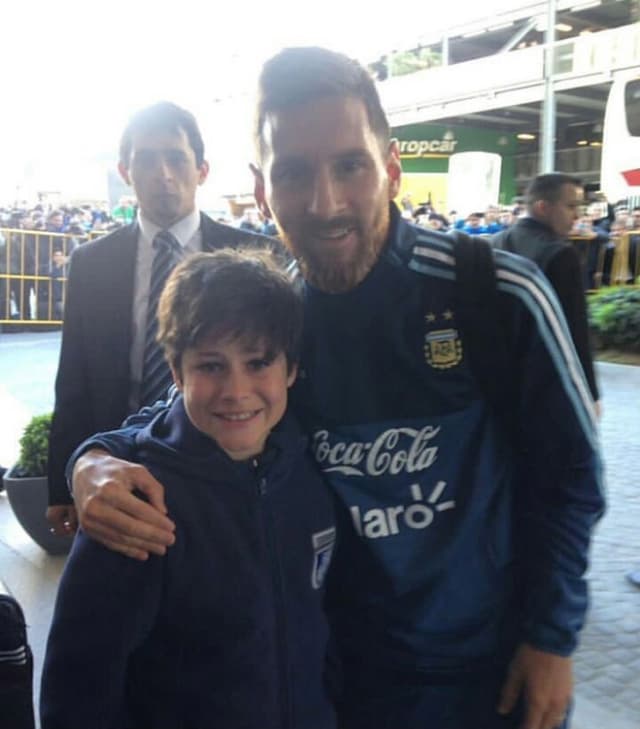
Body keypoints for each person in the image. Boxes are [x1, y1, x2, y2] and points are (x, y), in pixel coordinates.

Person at [69, 47, 604, 729]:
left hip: (493, 678)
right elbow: (180, 413)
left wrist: (551, 636)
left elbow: (572, 475)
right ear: (263, 190)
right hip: (345, 683)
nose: (325, 203)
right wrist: (91, 459)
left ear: (391, 168)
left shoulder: (496, 295)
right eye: (294, 172)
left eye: (350, 165)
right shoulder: (276, 322)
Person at [41, 248, 336, 729]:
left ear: (292, 369)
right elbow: (78, 688)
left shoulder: (311, 469)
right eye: (211, 366)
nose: (237, 392)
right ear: (176, 374)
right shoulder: (135, 503)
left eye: (258, 362)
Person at [46, 101, 272, 537]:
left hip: (231, 467)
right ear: (126, 171)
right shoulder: (92, 264)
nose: (163, 173)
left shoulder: (256, 258)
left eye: (176, 158)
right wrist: (61, 482)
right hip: (121, 471)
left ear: (202, 170)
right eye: (146, 159)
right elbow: (74, 377)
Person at [492, 173, 600, 411]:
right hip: (547, 378)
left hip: (497, 375)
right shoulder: (560, 254)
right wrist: (589, 392)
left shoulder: (494, 242)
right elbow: (574, 328)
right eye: (571, 206)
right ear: (543, 207)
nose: (577, 216)